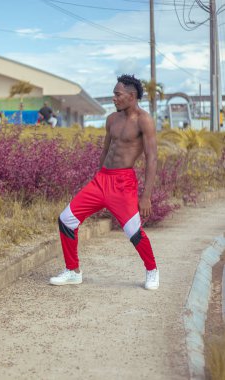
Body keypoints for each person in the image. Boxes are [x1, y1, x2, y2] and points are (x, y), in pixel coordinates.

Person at [50, 74, 159, 290]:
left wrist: (146, 196)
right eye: (114, 94)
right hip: (102, 180)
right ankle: (73, 271)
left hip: (123, 183)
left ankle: (152, 270)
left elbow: (152, 158)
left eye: (117, 95)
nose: (114, 99)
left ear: (131, 95)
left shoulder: (144, 120)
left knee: (133, 232)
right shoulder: (111, 119)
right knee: (66, 220)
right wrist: (97, 176)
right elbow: (106, 150)